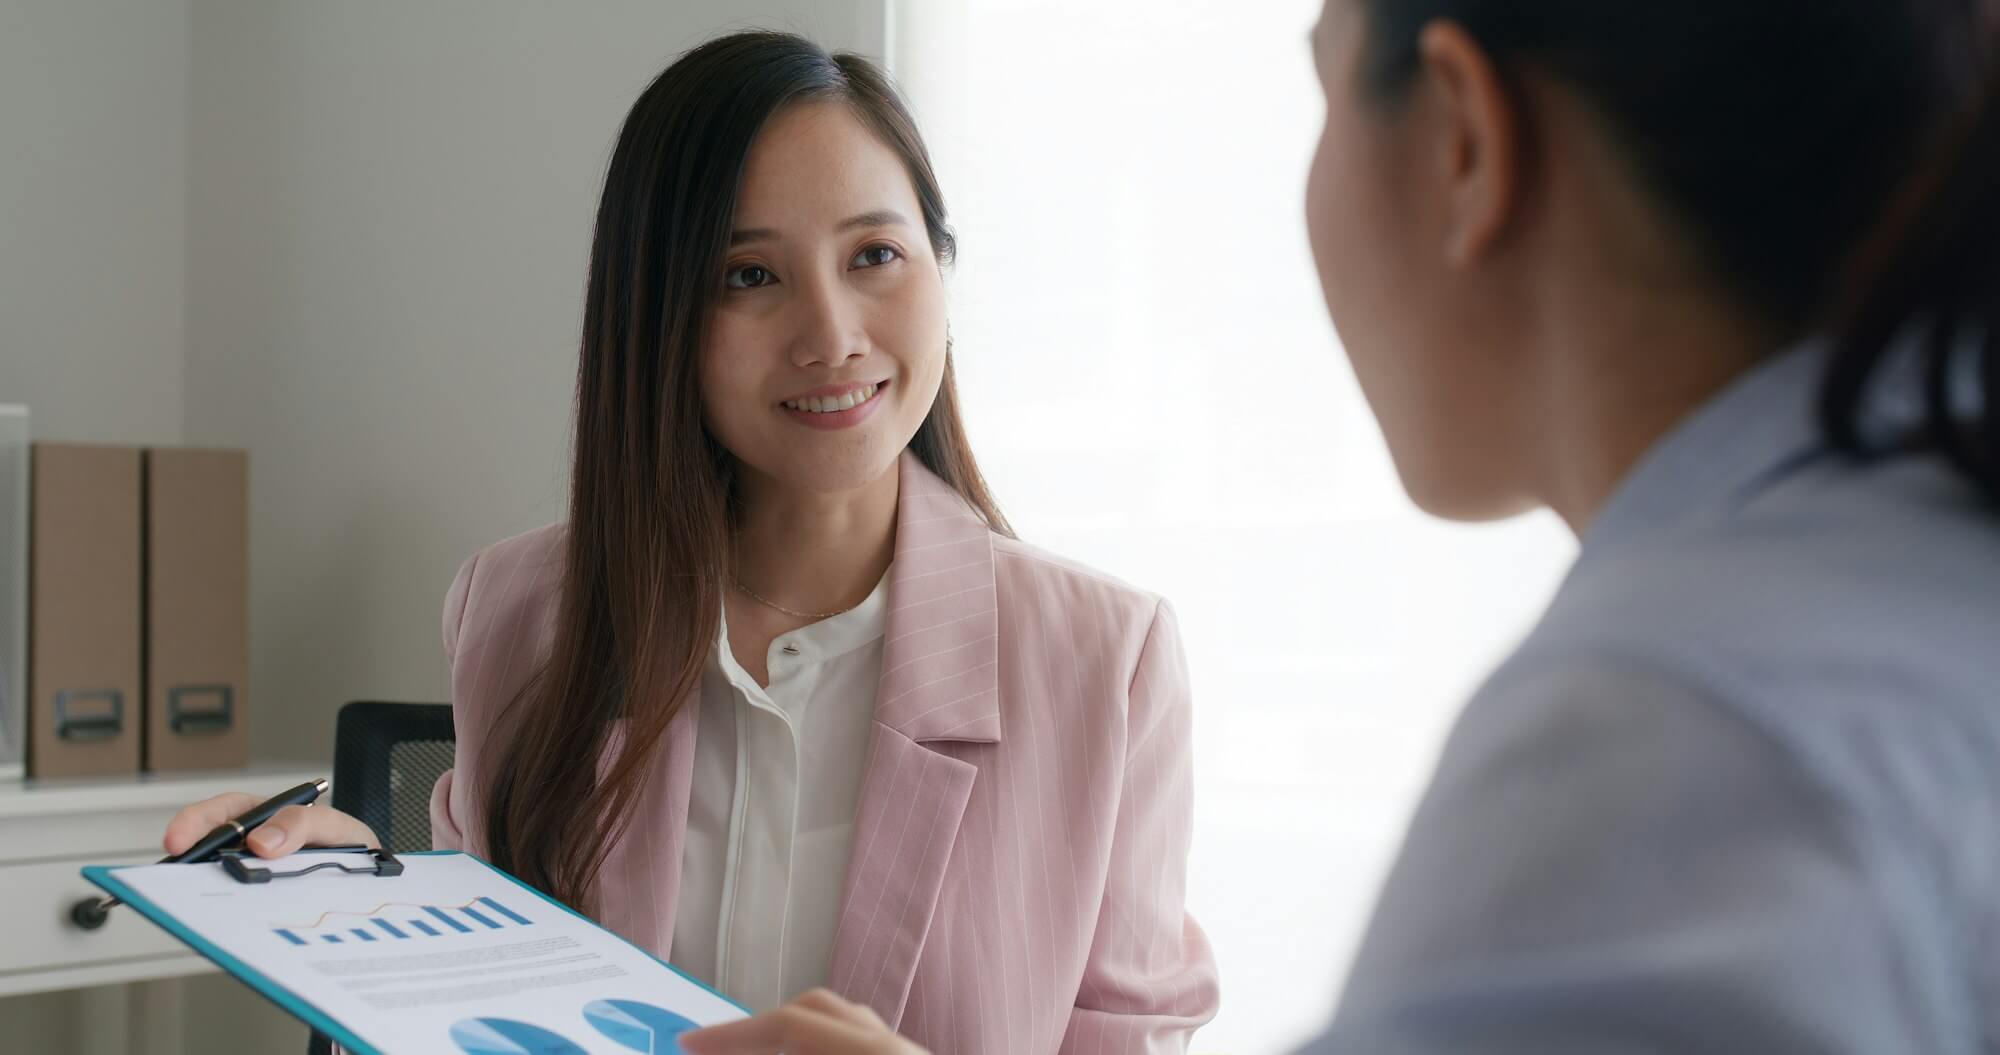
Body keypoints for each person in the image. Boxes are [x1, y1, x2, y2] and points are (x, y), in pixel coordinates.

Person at [683, 1, 2000, 1052]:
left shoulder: (1678, 739)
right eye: (751, 272)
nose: (831, 330)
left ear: (1463, 139)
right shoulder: (1907, 580)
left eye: (1319, 90)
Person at [164, 31, 1216, 1054]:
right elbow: (489, 996)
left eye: (875, 255)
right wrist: (364, 916)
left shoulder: (1102, 662)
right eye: (747, 276)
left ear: (941, 268)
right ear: (657, 312)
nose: (831, 333)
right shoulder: (521, 611)